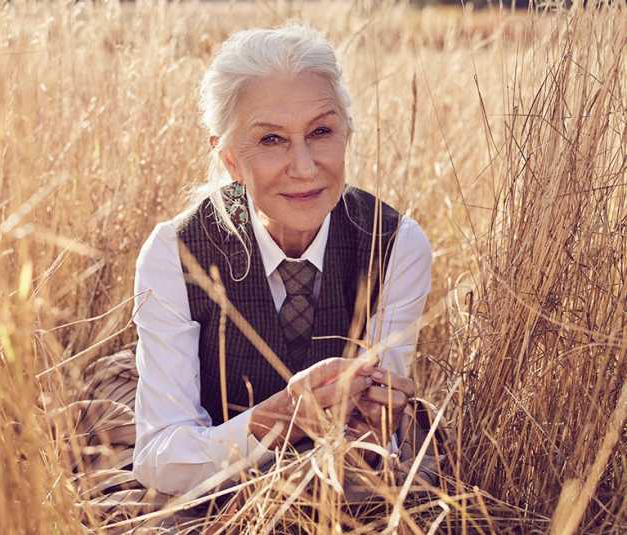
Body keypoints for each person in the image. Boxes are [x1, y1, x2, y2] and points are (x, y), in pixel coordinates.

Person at [131, 24, 432, 496]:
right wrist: (279, 419)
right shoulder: (175, 253)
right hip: (213, 507)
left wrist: (380, 428)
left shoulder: (395, 245)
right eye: (271, 139)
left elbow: (379, 443)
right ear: (230, 158)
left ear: (346, 134)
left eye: (321, 132)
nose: (306, 166)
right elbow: (159, 460)